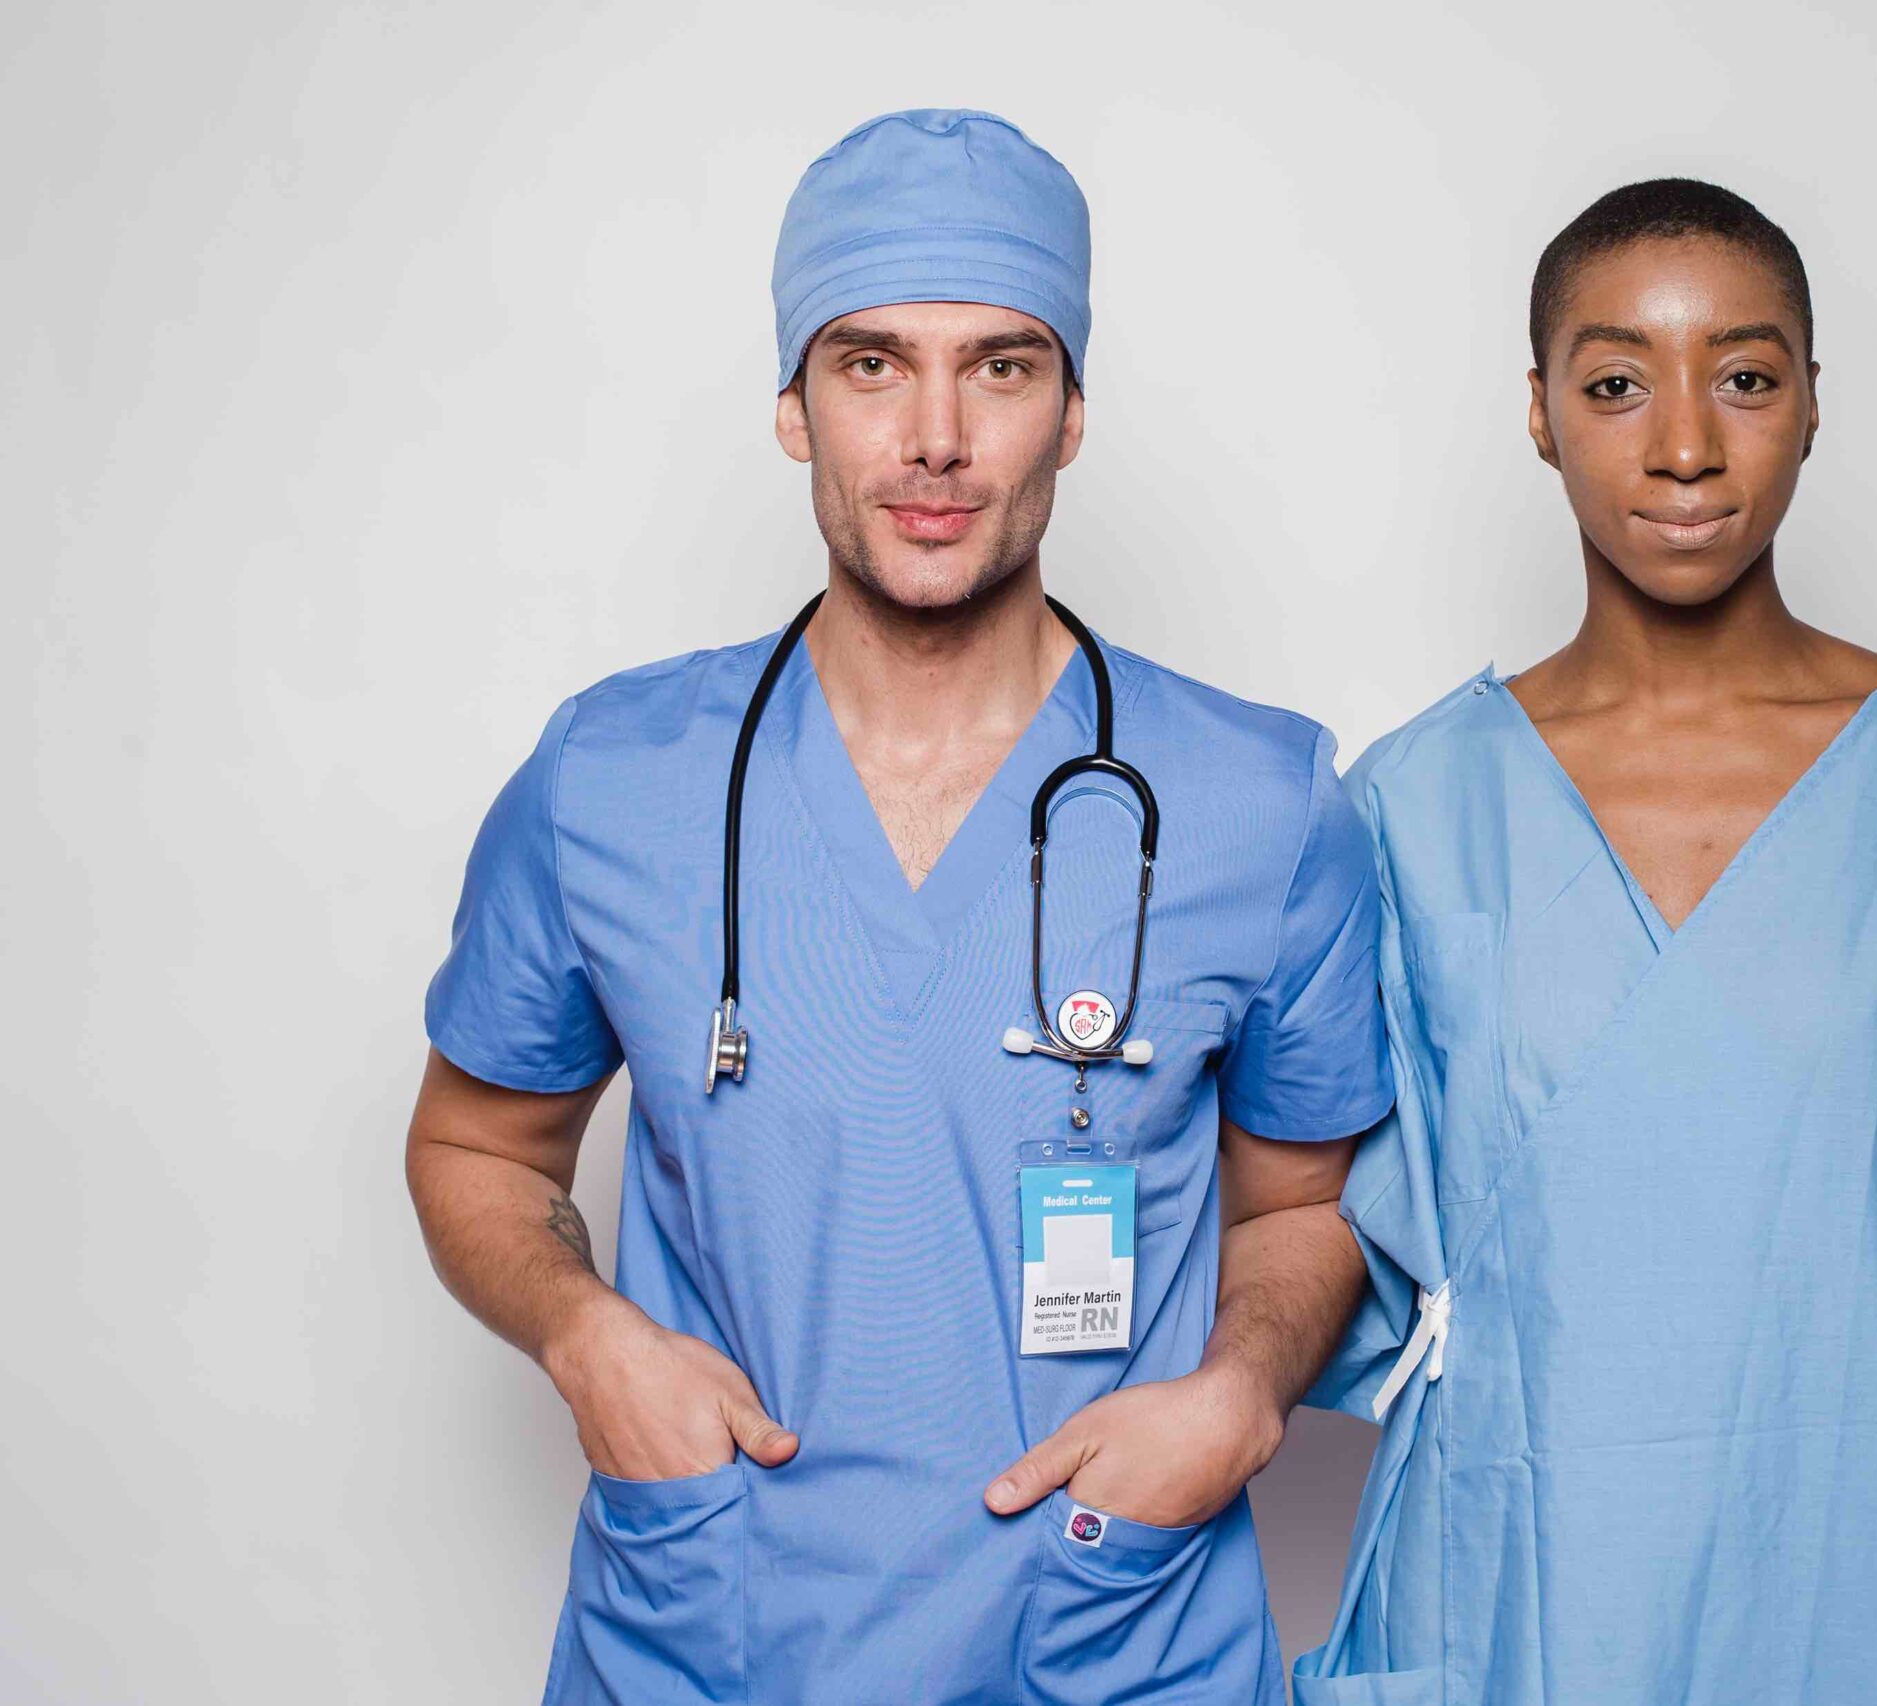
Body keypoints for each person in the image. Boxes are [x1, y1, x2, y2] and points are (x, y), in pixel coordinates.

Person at [406, 109, 1392, 1705]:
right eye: (872, 364)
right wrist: (589, 1339)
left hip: (1112, 1634)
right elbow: (473, 1145)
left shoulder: (1262, 806)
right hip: (719, 1635)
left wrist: (1245, 1388)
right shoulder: (613, 780)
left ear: (1071, 413)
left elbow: (1301, 1202)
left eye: (1001, 367)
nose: (935, 436)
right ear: (793, 409)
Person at [1293, 179, 1877, 1706]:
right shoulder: (1407, 810)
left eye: (1745, 378)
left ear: (1814, 404)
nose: (1684, 444)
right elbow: (1326, 1264)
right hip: (1509, 1595)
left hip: (1841, 1582)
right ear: (1545, 413)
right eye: (1617, 383)